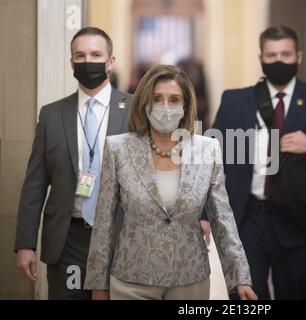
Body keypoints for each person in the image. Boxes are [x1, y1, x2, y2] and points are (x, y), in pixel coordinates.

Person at [83, 65, 257, 300]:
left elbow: (222, 218)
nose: (165, 107)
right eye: (157, 99)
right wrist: (98, 284)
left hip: (190, 279)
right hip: (131, 279)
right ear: (144, 103)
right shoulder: (118, 148)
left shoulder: (207, 149)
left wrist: (240, 277)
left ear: (185, 106)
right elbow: (104, 222)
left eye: (174, 99)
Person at [209, 25, 306, 299]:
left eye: (285, 54)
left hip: (299, 217)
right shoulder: (235, 101)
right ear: (261, 58)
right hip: (247, 217)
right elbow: (211, 158)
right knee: (245, 296)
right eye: (272, 56)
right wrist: (203, 215)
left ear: (299, 56)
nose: (279, 61)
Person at [14, 27, 133, 299]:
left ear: (110, 61)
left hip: (120, 235)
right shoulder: (52, 115)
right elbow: (35, 183)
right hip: (68, 238)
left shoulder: (135, 110)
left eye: (95, 54)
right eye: (80, 56)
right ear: (71, 63)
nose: (87, 61)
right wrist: (25, 244)